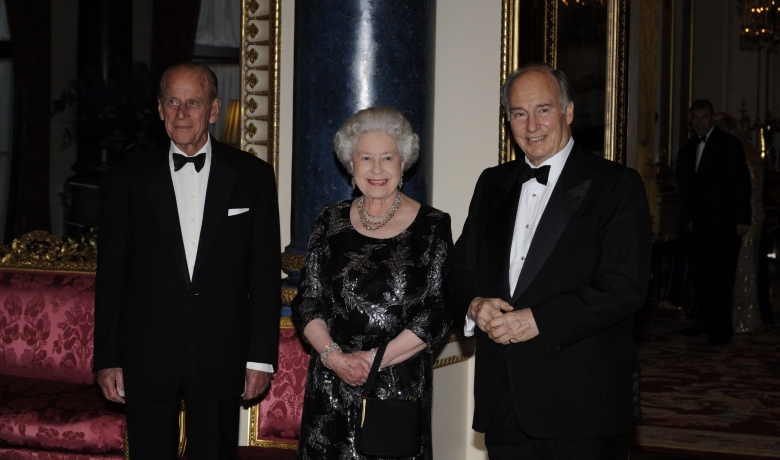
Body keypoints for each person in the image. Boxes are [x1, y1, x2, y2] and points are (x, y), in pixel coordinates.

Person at [443, 63, 652, 460]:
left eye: (543, 109)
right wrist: (474, 304)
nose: (532, 125)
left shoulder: (616, 185)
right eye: (519, 113)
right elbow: (458, 270)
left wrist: (538, 320)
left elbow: (625, 286)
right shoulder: (492, 183)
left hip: (581, 402)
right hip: (503, 398)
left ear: (568, 111)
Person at [94, 62, 281, 459]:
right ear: (159, 109)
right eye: (172, 102)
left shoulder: (253, 177)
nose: (181, 113)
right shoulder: (126, 181)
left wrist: (260, 359)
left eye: (193, 102)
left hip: (222, 353)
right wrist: (108, 359)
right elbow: (111, 278)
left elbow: (264, 277)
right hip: (146, 353)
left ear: (213, 109)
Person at [291, 106, 453, 460]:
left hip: (397, 390)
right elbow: (308, 300)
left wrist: (373, 360)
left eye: (387, 158)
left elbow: (438, 311)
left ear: (403, 163)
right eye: (366, 158)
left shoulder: (433, 226)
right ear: (351, 164)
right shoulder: (330, 219)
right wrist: (335, 358)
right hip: (330, 385)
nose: (377, 169)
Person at [676, 100, 752, 345]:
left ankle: (722, 329)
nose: (700, 122)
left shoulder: (728, 144)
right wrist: (690, 218)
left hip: (725, 223)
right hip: (699, 224)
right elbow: (688, 188)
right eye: (696, 118)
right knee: (701, 275)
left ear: (712, 118)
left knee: (722, 277)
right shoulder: (690, 146)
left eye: (704, 117)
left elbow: (741, 183)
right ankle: (705, 322)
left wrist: (742, 219)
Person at [713, 112, 764, 333]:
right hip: (752, 212)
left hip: (747, 215)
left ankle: (743, 319)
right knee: (745, 266)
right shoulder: (748, 149)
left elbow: (750, 184)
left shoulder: (741, 151)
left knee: (743, 268)